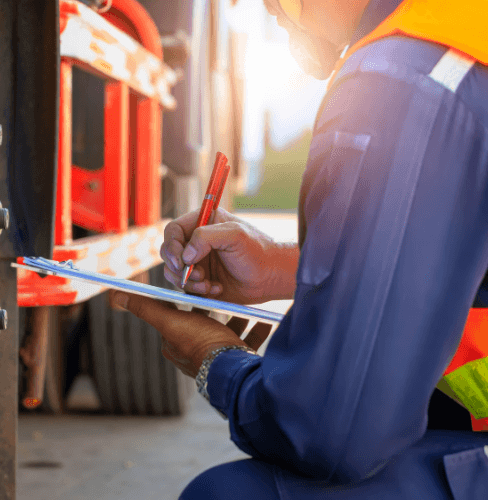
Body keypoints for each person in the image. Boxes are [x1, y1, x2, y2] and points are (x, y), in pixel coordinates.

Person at [110, 0, 488, 498]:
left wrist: (215, 362)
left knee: (228, 496)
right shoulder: (462, 33)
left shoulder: (410, 76)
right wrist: (281, 268)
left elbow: (335, 433)